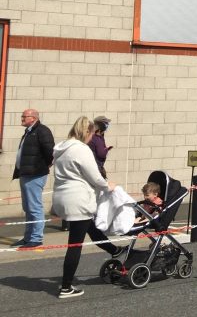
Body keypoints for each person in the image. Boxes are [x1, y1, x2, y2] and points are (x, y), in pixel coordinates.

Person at [52, 116, 125, 299]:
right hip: (79, 198)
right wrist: (109, 185)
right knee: (75, 245)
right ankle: (66, 287)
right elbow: (95, 176)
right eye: (92, 134)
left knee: (87, 226)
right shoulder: (81, 149)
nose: (92, 138)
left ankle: (113, 250)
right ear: (87, 132)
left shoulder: (62, 148)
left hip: (62, 196)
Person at [12, 108, 55, 248]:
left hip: (35, 174)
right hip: (25, 174)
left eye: (24, 116)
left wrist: (44, 166)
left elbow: (51, 152)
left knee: (34, 207)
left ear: (33, 118)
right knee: (28, 207)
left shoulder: (42, 131)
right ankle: (28, 237)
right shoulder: (29, 131)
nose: (22, 118)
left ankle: (36, 238)